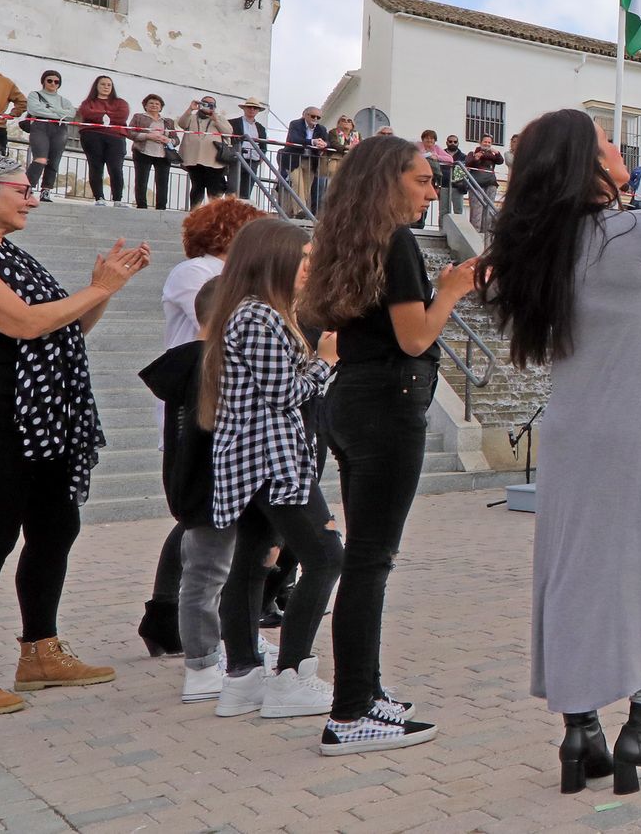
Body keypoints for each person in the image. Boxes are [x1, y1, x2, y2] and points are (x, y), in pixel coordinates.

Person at [479, 108, 641, 794]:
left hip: (570, 432)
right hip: (640, 428)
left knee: (571, 575)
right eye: (609, 144)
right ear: (589, 165)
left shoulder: (533, 251)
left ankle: (579, 729)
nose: (621, 151)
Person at [300, 135, 475, 755]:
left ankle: (365, 690)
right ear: (389, 181)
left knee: (367, 558)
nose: (432, 192)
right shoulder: (396, 242)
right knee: (371, 561)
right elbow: (414, 337)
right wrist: (451, 290)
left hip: (351, 399)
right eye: (423, 180)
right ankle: (349, 714)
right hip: (387, 404)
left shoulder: (347, 239)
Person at [0, 155, 151, 714]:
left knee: (55, 526)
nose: (31, 198)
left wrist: (103, 288)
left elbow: (69, 322)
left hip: (42, 423)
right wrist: (98, 288)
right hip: (7, 419)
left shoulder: (13, 255)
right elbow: (25, 324)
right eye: (20, 189)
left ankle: (40, 650)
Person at [202, 220, 343, 719]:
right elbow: (284, 394)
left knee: (252, 562)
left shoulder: (252, 314)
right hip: (271, 459)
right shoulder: (258, 316)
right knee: (326, 556)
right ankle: (291, 675)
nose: (309, 266)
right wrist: (326, 361)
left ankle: (244, 676)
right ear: (274, 262)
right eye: (302, 258)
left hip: (256, 460)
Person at [135, 197, 268, 658]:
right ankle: (169, 614)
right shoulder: (195, 273)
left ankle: (182, 617)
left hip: (228, 405)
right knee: (202, 516)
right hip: (198, 407)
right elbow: (221, 323)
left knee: (213, 519)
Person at [77, 75, 131, 207]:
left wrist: (100, 115)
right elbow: (86, 113)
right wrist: (106, 115)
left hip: (116, 137)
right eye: (103, 84)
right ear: (96, 86)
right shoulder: (88, 102)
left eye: (109, 85)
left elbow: (122, 116)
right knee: (95, 166)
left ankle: (117, 199)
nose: (106, 87)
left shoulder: (120, 102)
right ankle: (99, 197)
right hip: (92, 135)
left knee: (116, 168)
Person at [23, 71, 74, 201]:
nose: (52, 83)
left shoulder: (64, 100)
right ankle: (27, 187)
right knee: (40, 158)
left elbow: (71, 114)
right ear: (44, 81)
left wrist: (50, 110)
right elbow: (34, 109)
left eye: (56, 82)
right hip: (40, 126)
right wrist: (59, 113)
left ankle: (46, 190)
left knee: (54, 160)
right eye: (49, 80)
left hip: (59, 129)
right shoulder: (35, 95)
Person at [178, 96, 232, 208]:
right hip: (194, 159)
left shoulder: (219, 118)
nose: (208, 106)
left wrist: (215, 120)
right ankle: (194, 212)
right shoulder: (192, 117)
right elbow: (182, 124)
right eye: (205, 103)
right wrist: (190, 109)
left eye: (211, 104)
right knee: (197, 186)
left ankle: (214, 214)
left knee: (214, 189)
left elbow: (228, 132)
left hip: (213, 160)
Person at [129, 94, 179, 211]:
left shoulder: (168, 122)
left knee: (162, 182)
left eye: (157, 104)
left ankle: (161, 207)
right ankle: (141, 206)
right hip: (142, 152)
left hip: (163, 154)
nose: (154, 105)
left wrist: (168, 140)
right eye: (151, 103)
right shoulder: (138, 117)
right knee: (141, 180)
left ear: (161, 107)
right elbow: (130, 133)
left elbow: (176, 139)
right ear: (145, 106)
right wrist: (148, 136)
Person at [282, 107, 329, 215]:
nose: (315, 119)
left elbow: (328, 141)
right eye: (313, 116)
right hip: (294, 160)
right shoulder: (295, 124)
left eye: (318, 117)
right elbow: (294, 139)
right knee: (298, 186)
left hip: (310, 162)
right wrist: (312, 142)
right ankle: (300, 212)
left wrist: (325, 144)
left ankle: (292, 212)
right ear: (305, 115)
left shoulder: (321, 129)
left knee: (306, 190)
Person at [228, 98, 268, 201]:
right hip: (236, 159)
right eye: (249, 107)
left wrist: (260, 158)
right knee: (232, 188)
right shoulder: (233, 123)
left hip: (253, 160)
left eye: (255, 108)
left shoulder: (260, 128)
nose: (252, 109)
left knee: (246, 191)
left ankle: (242, 213)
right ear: (244, 108)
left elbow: (263, 145)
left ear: (258, 111)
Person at [465, 136, 504, 230]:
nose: (487, 144)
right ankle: (475, 230)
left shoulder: (494, 155)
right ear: (480, 142)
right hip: (476, 183)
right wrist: (476, 158)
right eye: (485, 142)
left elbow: (500, 161)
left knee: (489, 207)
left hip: (491, 183)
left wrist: (497, 152)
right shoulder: (473, 153)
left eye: (489, 142)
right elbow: (468, 163)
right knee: (477, 207)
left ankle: (486, 230)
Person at [0, 60, 24, 157]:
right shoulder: (7, 83)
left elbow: (22, 102)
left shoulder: (7, 83)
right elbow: (22, 102)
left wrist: (13, 114)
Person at [441, 135, 467, 216]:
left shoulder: (463, 156)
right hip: (443, 186)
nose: (453, 143)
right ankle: (442, 228)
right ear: (447, 142)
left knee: (458, 211)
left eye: (455, 142)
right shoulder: (441, 154)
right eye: (450, 141)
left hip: (458, 187)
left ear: (458, 143)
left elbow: (464, 172)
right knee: (443, 211)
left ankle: (457, 228)